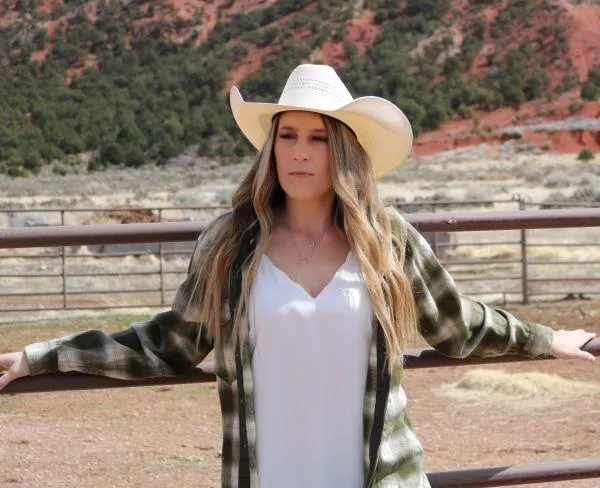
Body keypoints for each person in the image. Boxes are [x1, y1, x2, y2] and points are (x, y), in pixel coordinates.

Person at [0, 64, 595, 488]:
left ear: (346, 152)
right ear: (271, 148)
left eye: (319, 138)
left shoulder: (387, 243)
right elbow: (167, 343)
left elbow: (458, 326)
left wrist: (548, 338)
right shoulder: (231, 244)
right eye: (287, 136)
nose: (301, 153)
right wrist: (40, 356)